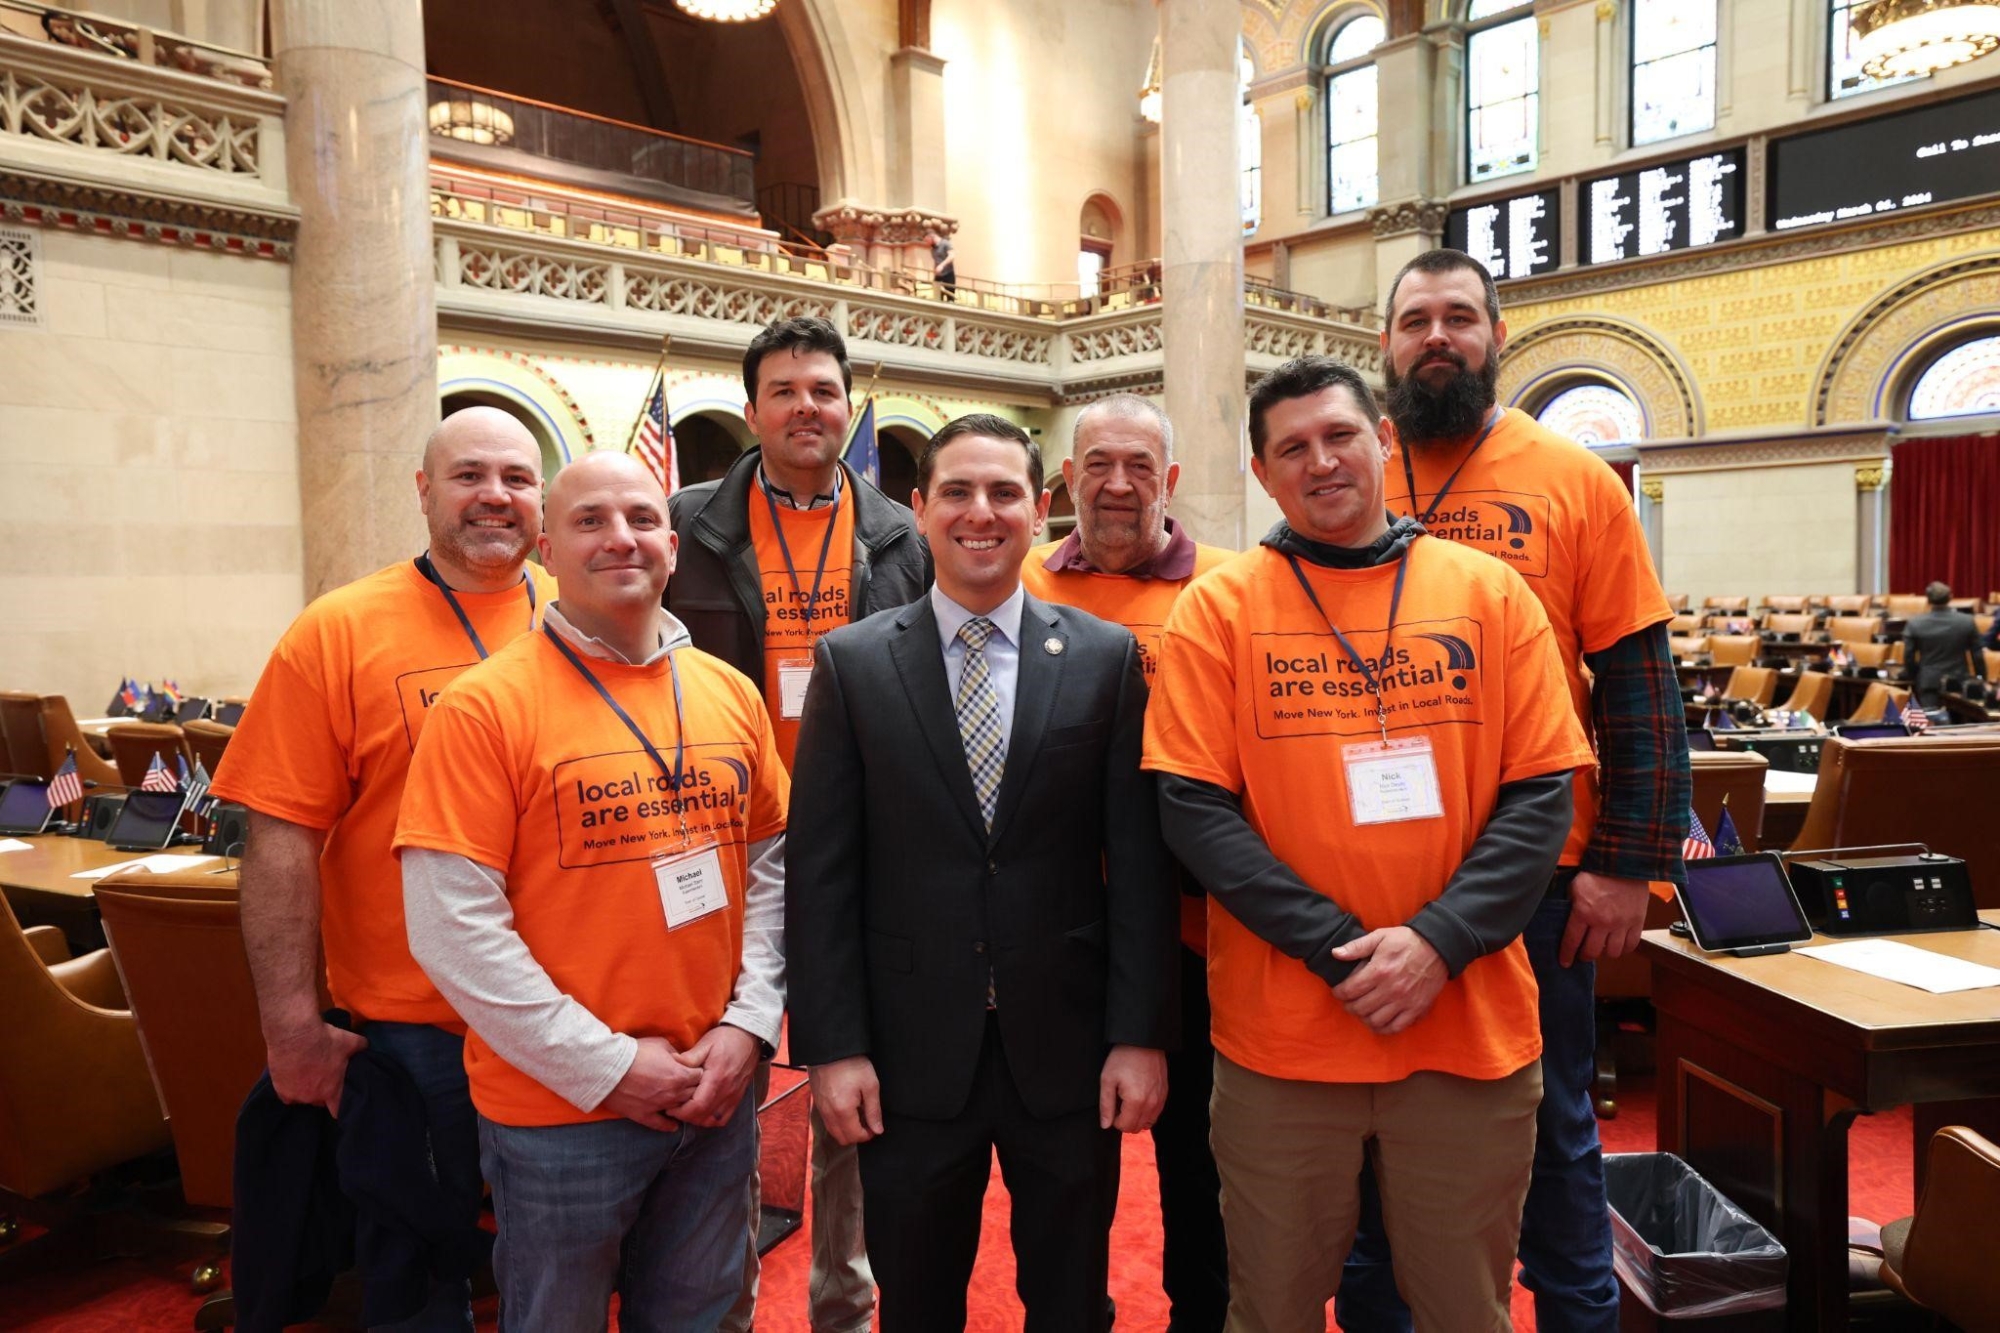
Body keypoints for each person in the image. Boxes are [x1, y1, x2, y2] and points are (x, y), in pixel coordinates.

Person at [1144, 357, 1591, 1332]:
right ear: (1262, 473)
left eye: (1339, 435)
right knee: (1270, 1309)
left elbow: (1541, 794)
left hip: (1465, 1033)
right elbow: (1192, 808)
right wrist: (1338, 947)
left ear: (1383, 440)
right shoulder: (1216, 610)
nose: (1321, 462)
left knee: (1465, 1310)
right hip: (1283, 1044)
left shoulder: (1490, 592)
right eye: (1292, 448)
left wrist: (1435, 943)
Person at [1341, 248, 1692, 1333]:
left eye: (1459, 317)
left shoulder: (1572, 479)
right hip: (1371, 874)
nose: (1436, 337)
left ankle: (1577, 1316)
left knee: (1550, 1136)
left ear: (1497, 337)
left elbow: (1638, 686)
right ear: (1385, 345)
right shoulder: (1352, 470)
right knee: (1369, 1140)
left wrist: (1626, 865)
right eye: (1414, 321)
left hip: (1537, 878)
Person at [787, 414, 1178, 1333]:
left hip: (1067, 1049)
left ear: (1039, 511)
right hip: (908, 1053)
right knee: (917, 1305)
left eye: (1004, 492)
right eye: (957, 491)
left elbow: (1138, 866)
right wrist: (833, 1047)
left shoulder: (1104, 658)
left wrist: (1138, 1033)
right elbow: (821, 876)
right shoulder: (852, 663)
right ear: (919, 508)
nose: (981, 512)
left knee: (1072, 1303)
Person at [396, 451, 788, 1331]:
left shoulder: (730, 693)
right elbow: (451, 928)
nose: (622, 539)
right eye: (590, 521)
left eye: (643, 520)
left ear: (674, 547)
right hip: (560, 1113)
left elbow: (774, 869)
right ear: (546, 549)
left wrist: (750, 1025)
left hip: (717, 1092)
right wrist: (607, 1067)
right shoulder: (481, 708)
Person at [211, 406, 552, 1333]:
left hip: (572, 1022)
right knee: (419, 1280)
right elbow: (280, 838)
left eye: (517, 478)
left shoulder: (581, 614)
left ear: (543, 498)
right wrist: (292, 1027)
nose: (494, 496)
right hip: (416, 1034)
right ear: (424, 491)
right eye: (469, 475)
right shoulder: (338, 631)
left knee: (565, 1257)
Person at [667, 314, 930, 1333]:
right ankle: (723, 1302)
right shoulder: (686, 526)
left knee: (850, 1086)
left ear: (847, 405)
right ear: (752, 411)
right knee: (723, 1080)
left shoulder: (899, 536)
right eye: (783, 391)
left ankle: (843, 1307)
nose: (804, 407)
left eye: (822, 390)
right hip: (723, 845)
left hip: (862, 842)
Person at [1020, 394, 1233, 1332]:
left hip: (1196, 942)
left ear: (1170, 480)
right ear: (1066, 479)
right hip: (1058, 938)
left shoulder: (1228, 588)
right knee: (1065, 1178)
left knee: (1203, 1172)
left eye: (1139, 466)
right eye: (1097, 465)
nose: (1116, 485)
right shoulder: (1018, 582)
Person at [1902, 582, 1983, 713]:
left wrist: (1915, 675)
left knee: (1931, 720)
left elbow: (1908, 656)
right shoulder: (1966, 621)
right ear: (1950, 597)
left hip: (1928, 681)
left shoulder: (1915, 623)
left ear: (1928, 600)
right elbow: (1977, 655)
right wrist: (1981, 678)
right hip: (1959, 680)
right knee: (1959, 721)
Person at [926, 228, 957, 300]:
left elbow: (952, 256)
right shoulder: (933, 249)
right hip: (939, 275)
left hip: (948, 274)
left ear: (931, 236)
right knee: (937, 296)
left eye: (927, 240)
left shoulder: (945, 243)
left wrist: (942, 265)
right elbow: (936, 261)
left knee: (950, 297)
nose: (927, 243)